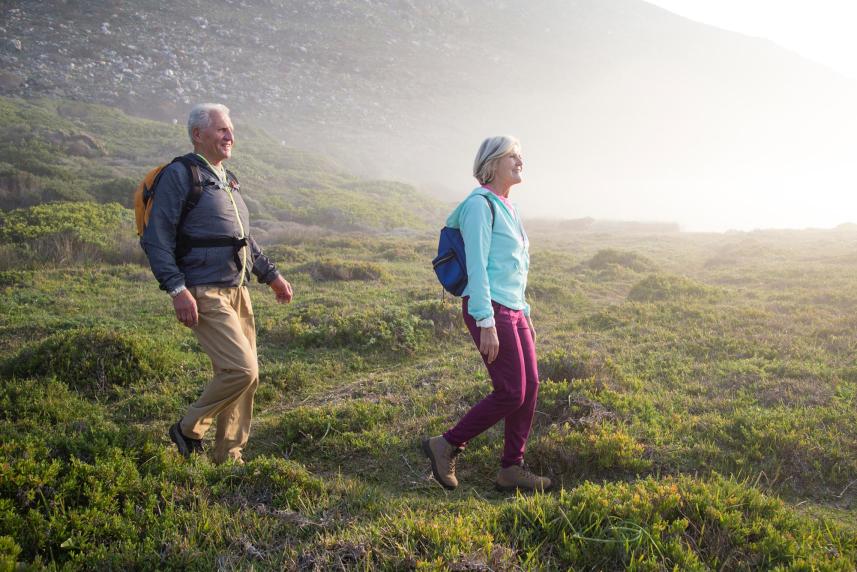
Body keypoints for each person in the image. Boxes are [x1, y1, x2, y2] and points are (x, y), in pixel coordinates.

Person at [141, 103, 293, 465]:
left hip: (238, 289)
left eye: (231, 129)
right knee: (243, 369)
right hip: (204, 289)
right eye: (222, 130)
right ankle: (189, 427)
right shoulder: (181, 175)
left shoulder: (227, 178)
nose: (230, 136)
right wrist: (178, 290)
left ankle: (228, 456)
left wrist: (271, 276)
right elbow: (155, 239)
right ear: (198, 134)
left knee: (245, 378)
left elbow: (243, 238)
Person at [423, 136, 550, 492]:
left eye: (521, 155)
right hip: (490, 308)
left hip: (513, 310)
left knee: (530, 387)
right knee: (510, 391)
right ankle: (445, 445)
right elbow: (478, 267)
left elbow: (513, 268)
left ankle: (512, 468)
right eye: (513, 155)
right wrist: (485, 321)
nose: (520, 161)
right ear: (492, 163)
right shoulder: (480, 205)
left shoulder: (508, 207)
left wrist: (525, 314)